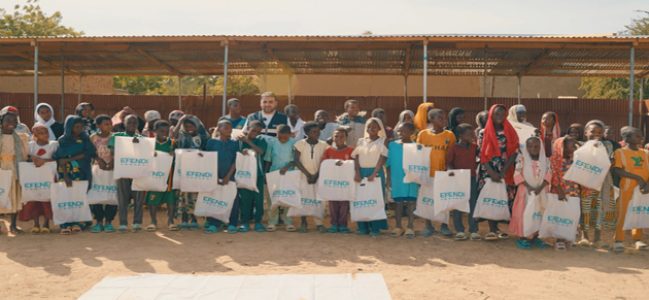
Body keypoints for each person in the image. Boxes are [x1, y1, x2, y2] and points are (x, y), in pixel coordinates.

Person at [477, 104, 519, 241]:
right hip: (489, 169)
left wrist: (503, 171)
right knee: (491, 198)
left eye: (502, 113)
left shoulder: (510, 131)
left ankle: (499, 228)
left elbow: (514, 152)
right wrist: (492, 172)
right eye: (496, 114)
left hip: (505, 170)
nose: (499, 116)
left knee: (503, 198)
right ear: (491, 115)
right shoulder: (484, 132)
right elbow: (481, 154)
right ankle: (492, 229)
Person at [416, 108, 456, 237]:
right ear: (431, 119)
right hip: (427, 174)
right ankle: (428, 226)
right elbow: (418, 153)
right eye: (440, 118)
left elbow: (451, 155)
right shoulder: (423, 134)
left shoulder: (449, 135)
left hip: (442, 174)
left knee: (444, 201)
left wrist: (449, 169)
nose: (444, 120)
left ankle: (444, 225)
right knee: (427, 200)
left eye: (444, 118)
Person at [55, 115, 96, 234]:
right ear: (69, 127)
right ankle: (66, 224)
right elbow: (60, 159)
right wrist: (66, 176)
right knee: (66, 196)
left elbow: (88, 153)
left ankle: (78, 222)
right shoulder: (62, 140)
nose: (79, 129)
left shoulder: (85, 139)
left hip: (82, 171)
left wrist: (69, 159)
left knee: (80, 196)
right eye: (76, 127)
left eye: (81, 127)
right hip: (66, 173)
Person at [578, 120, 616, 248]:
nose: (596, 134)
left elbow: (607, 160)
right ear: (585, 132)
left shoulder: (607, 145)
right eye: (593, 131)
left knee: (600, 208)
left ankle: (598, 237)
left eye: (600, 132)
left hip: (602, 181)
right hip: (585, 182)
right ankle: (585, 236)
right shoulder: (579, 145)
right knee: (585, 208)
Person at [611, 126, 649, 253]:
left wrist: (647, 183)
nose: (641, 138)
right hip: (627, 188)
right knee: (623, 213)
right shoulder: (620, 152)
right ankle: (618, 240)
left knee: (640, 211)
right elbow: (617, 169)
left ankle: (637, 239)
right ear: (626, 138)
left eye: (641, 135)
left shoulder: (646, 153)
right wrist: (637, 177)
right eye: (637, 136)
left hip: (643, 189)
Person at [509, 137, 551, 249]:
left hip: (541, 192)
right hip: (525, 192)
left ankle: (535, 236)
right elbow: (517, 175)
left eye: (537, 146)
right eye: (530, 146)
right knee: (523, 214)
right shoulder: (522, 160)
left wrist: (540, 187)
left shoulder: (546, 161)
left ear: (541, 147)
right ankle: (523, 237)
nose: (533, 148)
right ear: (526, 148)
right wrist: (529, 187)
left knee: (539, 214)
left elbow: (549, 175)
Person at [351, 117, 389, 237]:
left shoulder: (383, 140)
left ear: (379, 128)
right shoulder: (361, 141)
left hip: (375, 172)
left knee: (375, 200)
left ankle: (375, 228)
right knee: (361, 199)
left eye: (374, 126)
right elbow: (356, 157)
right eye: (369, 126)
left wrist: (374, 173)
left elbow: (383, 158)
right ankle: (363, 227)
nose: (371, 128)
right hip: (361, 172)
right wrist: (357, 172)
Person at [109, 114, 145, 233]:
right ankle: (123, 223)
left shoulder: (143, 138)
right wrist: (130, 143)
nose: (132, 125)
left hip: (137, 172)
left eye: (134, 123)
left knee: (139, 199)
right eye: (129, 122)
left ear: (138, 125)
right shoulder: (117, 137)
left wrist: (138, 143)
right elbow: (113, 151)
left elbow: (147, 154)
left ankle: (137, 222)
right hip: (123, 172)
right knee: (122, 198)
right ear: (124, 123)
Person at [19, 124, 58, 234]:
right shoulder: (30, 145)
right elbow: (26, 157)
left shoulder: (54, 144)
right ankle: (36, 224)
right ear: (35, 135)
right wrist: (32, 158)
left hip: (49, 177)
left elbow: (57, 159)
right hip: (34, 178)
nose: (45, 135)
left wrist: (44, 161)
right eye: (41, 133)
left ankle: (46, 224)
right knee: (34, 199)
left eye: (46, 132)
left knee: (47, 199)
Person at [173, 114, 209, 229]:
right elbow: (173, 135)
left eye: (191, 126)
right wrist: (180, 121)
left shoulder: (203, 136)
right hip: (183, 169)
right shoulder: (182, 135)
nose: (189, 128)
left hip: (197, 170)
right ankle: (184, 218)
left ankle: (193, 219)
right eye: (186, 126)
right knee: (184, 195)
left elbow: (206, 150)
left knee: (194, 196)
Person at [204, 120, 240, 233]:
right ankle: (214, 223)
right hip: (214, 176)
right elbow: (208, 159)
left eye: (230, 128)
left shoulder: (234, 143)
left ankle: (232, 223)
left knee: (232, 199)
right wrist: (213, 176)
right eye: (226, 128)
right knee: (214, 199)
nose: (229, 130)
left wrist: (228, 176)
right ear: (219, 129)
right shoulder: (211, 142)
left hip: (230, 176)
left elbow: (236, 161)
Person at [446, 123, 480, 241]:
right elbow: (449, 163)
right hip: (458, 179)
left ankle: (474, 230)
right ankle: (459, 230)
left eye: (472, 134)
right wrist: (451, 172)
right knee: (458, 204)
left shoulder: (474, 147)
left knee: (473, 204)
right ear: (460, 135)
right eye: (468, 134)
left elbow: (479, 160)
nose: (471, 136)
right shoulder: (454, 148)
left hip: (471, 178)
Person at [293, 121, 328, 233]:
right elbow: (296, 161)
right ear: (307, 132)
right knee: (304, 199)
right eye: (313, 132)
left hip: (318, 176)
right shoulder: (300, 144)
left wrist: (316, 175)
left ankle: (319, 223)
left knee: (318, 200)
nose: (317, 133)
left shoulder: (324, 145)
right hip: (303, 175)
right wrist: (308, 175)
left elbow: (325, 161)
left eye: (318, 131)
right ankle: (304, 222)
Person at [386, 122, 418, 238]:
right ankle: (398, 226)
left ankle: (410, 226)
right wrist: (388, 179)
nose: (400, 133)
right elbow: (388, 164)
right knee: (398, 203)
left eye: (403, 131)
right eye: (398, 130)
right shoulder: (392, 145)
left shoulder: (416, 146)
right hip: (397, 178)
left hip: (411, 179)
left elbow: (420, 164)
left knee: (411, 203)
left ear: (411, 133)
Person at [145, 120, 178, 232]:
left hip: (169, 177)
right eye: (161, 131)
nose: (164, 133)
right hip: (154, 177)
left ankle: (171, 221)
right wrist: (150, 155)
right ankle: (153, 222)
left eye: (166, 131)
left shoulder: (173, 143)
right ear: (155, 131)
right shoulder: (149, 144)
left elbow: (180, 158)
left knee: (171, 200)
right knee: (152, 200)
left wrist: (174, 155)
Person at [0, 108, 29, 234]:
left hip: (14, 169)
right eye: (8, 120)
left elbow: (24, 154)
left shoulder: (21, 138)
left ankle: (13, 224)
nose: (11, 123)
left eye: (14, 121)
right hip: (1, 168)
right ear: (1, 122)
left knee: (14, 196)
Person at [550, 136, 581, 250]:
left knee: (571, 216)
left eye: (574, 145)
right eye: (571, 145)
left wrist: (578, 144)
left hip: (573, 192)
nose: (574, 147)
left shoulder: (576, 159)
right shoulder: (555, 159)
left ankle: (569, 237)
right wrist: (559, 191)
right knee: (560, 216)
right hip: (560, 192)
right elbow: (553, 176)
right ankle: (559, 240)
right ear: (562, 146)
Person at [264, 124, 297, 232]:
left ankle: (288, 221)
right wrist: (266, 173)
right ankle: (272, 221)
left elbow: (295, 159)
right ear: (276, 134)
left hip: (289, 173)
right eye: (279, 135)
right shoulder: (272, 142)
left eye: (285, 136)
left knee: (287, 196)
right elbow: (268, 159)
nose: (282, 138)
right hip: (274, 174)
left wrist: (286, 168)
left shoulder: (293, 143)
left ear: (289, 134)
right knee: (273, 198)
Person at [322, 127, 354, 234]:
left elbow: (354, 165)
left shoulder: (350, 150)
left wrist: (344, 164)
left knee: (344, 203)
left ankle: (343, 225)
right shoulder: (328, 150)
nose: (339, 138)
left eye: (342, 136)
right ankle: (334, 224)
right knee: (332, 202)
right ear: (332, 137)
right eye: (336, 136)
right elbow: (324, 165)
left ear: (346, 137)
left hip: (345, 182)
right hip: (332, 182)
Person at [89, 115, 118, 233]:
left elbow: (120, 151)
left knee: (112, 195)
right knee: (97, 195)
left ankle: (109, 222)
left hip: (113, 169)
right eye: (106, 124)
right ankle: (99, 221)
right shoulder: (93, 137)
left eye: (110, 123)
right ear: (98, 126)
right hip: (97, 169)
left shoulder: (115, 137)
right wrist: (98, 159)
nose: (109, 126)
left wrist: (113, 161)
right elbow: (90, 151)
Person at [238, 120, 268, 232]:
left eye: (258, 131)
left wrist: (248, 142)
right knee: (245, 199)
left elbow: (260, 151)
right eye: (253, 130)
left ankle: (258, 222)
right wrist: (243, 149)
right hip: (244, 174)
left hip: (258, 174)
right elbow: (236, 153)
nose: (255, 133)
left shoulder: (261, 140)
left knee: (258, 199)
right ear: (248, 128)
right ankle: (245, 222)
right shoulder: (239, 140)